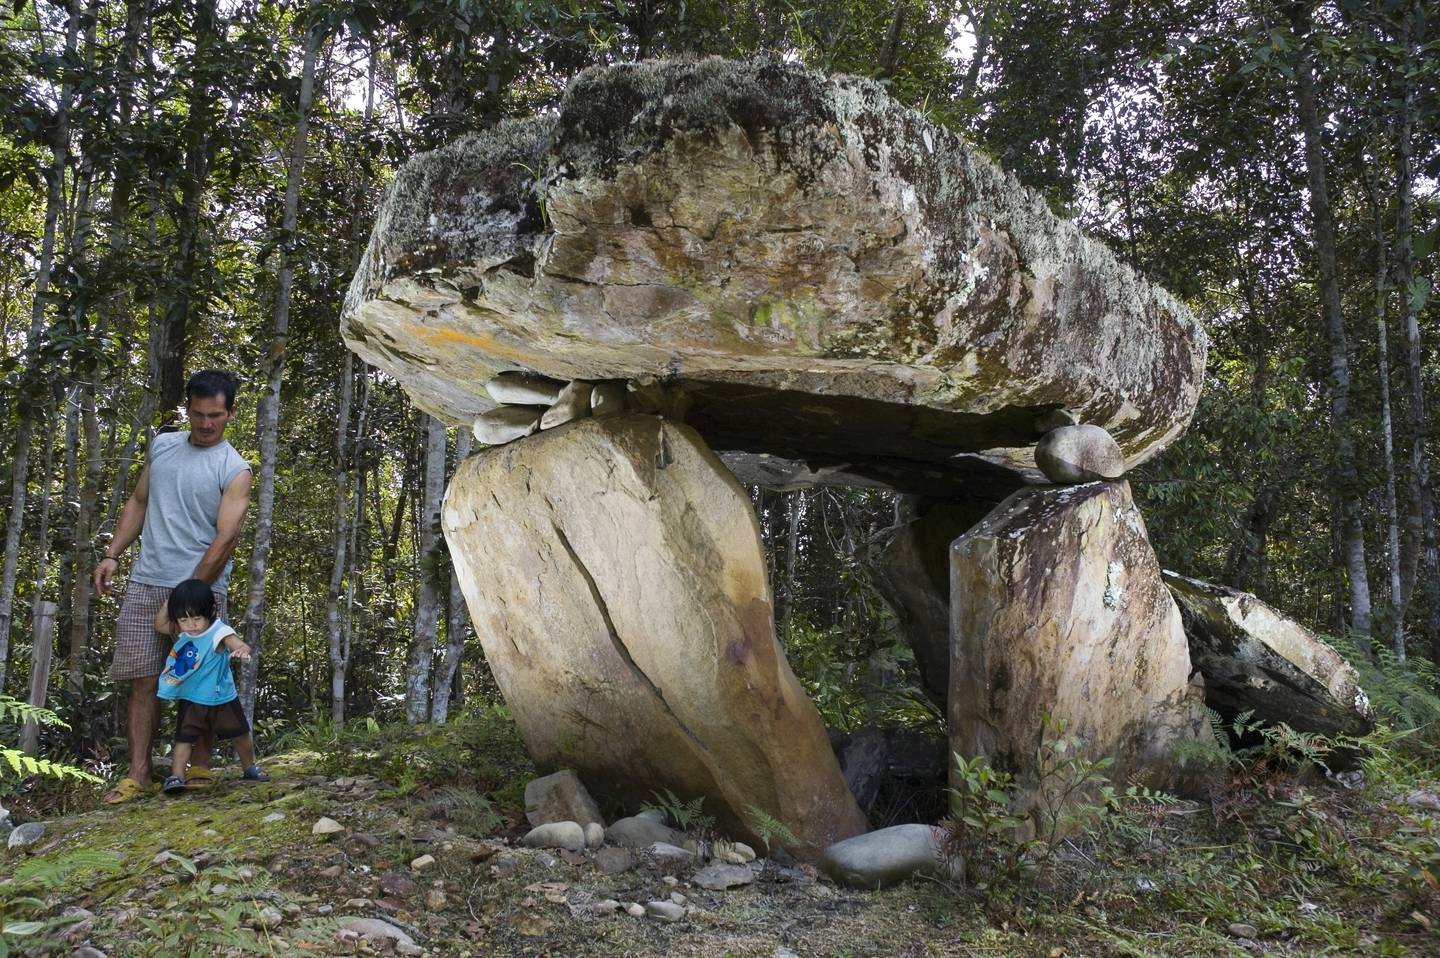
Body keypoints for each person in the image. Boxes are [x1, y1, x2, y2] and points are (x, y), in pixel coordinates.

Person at [94, 370, 253, 804]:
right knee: (143, 680)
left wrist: (187, 594)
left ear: (230, 413)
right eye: (199, 414)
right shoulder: (163, 446)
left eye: (215, 415)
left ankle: (199, 767)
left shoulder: (235, 468)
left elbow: (226, 537)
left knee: (198, 681)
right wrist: (112, 553)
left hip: (200, 589)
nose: (206, 424)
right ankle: (138, 773)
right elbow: (139, 501)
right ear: (188, 409)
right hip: (147, 580)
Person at [157, 579, 269, 793]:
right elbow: (160, 625)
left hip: (222, 697)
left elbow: (238, 643)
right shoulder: (184, 632)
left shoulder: (219, 631)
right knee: (184, 737)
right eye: (184, 619)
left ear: (210, 611)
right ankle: (176, 776)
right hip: (191, 697)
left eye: (197, 618)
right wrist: (169, 602)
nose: (191, 624)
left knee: (240, 733)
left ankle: (250, 768)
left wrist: (242, 651)